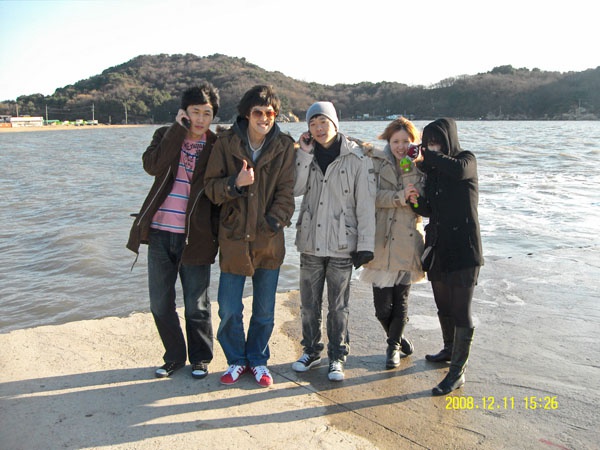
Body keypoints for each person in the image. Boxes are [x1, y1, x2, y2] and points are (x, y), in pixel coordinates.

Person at [126, 83, 221, 379]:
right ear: (184, 112)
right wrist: (177, 131)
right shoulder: (165, 135)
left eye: (207, 113)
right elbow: (152, 166)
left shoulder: (217, 145)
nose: (201, 119)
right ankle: (175, 356)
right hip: (159, 232)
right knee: (159, 303)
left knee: (197, 305)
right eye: (195, 112)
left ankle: (201, 358)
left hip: (196, 236)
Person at [204, 85, 295, 388]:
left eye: (270, 113)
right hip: (233, 239)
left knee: (264, 311)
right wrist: (235, 183)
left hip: (269, 240)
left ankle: (257, 359)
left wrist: (272, 223)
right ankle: (236, 360)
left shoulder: (284, 146)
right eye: (258, 112)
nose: (264, 118)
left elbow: (286, 194)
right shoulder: (226, 143)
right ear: (247, 113)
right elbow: (210, 188)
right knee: (229, 308)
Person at [292, 101, 376, 381]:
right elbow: (295, 189)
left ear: (335, 124)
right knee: (308, 305)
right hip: (310, 241)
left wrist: (366, 245)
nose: (318, 128)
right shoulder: (307, 154)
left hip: (342, 243)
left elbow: (365, 205)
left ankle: (337, 356)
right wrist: (304, 154)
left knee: (338, 307)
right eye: (313, 124)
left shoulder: (357, 158)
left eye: (323, 122)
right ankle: (311, 351)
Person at [409, 117, 484, 396]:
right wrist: (415, 200)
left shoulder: (466, 160)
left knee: (461, 310)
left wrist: (427, 155)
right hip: (439, 246)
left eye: (436, 142)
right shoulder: (433, 171)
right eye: (427, 142)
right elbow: (429, 209)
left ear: (448, 139)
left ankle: (457, 372)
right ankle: (449, 348)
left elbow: (459, 171)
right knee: (443, 305)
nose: (431, 147)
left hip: (464, 248)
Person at [359, 117, 425, 369]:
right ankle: (397, 339)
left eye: (406, 141)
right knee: (382, 308)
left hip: (408, 241)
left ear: (413, 142)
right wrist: (399, 196)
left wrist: (415, 190)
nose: (400, 146)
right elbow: (371, 196)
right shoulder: (377, 163)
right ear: (388, 141)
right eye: (396, 141)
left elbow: (424, 199)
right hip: (381, 241)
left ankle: (392, 347)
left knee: (401, 301)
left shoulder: (420, 166)